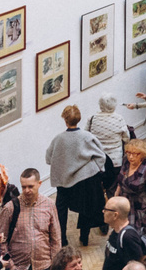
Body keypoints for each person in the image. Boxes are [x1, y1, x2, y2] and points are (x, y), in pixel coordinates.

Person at [47, 105, 111, 246]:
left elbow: (48, 158)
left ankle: (62, 240)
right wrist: (87, 169)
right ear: (79, 118)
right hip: (84, 180)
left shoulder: (58, 139)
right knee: (85, 207)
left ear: (65, 120)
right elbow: (101, 157)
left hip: (63, 181)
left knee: (61, 210)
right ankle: (84, 237)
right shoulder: (87, 137)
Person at [0, 168, 63, 270]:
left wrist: (54, 264)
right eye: (24, 187)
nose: (27, 190)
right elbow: (1, 239)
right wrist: (9, 262)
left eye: (30, 186)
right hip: (17, 267)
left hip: (42, 266)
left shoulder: (49, 205)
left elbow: (56, 237)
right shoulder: (10, 208)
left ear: (39, 183)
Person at [101, 195, 146, 270]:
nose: (103, 212)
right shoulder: (115, 231)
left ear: (115, 215)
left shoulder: (128, 238)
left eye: (106, 209)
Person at [115, 139, 146, 236]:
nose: (131, 156)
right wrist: (115, 199)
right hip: (124, 207)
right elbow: (120, 182)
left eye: (135, 154)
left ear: (142, 154)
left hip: (140, 210)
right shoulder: (126, 160)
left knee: (139, 239)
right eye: (128, 152)